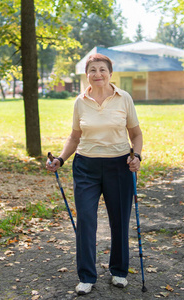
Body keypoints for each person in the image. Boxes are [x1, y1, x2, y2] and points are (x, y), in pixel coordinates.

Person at [46, 53, 143, 295]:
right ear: (86, 74)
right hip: (86, 167)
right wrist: (60, 158)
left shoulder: (124, 98)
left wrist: (137, 157)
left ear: (110, 73)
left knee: (119, 220)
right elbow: (75, 136)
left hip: (119, 166)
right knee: (86, 221)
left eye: (102, 69)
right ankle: (87, 276)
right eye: (92, 70)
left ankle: (119, 271)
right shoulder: (80, 101)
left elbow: (136, 135)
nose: (97, 74)